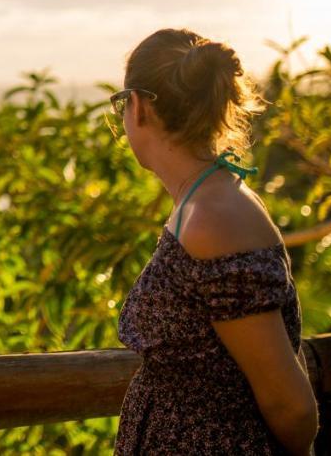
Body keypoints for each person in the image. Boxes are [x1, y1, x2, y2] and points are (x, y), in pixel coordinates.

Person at [112, 29, 318, 455]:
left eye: (121, 105)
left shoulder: (214, 219)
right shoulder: (203, 201)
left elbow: (292, 406)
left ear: (139, 106)